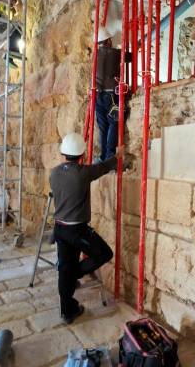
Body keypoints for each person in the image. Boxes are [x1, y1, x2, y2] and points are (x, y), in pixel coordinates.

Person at [49, 133, 123, 324]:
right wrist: (118, 156)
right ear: (81, 155)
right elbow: (105, 166)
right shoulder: (83, 173)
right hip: (77, 231)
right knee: (104, 253)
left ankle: (68, 310)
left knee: (65, 267)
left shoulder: (54, 173)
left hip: (60, 229)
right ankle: (75, 273)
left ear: (64, 153)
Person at [95, 27, 131, 162]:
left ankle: (103, 157)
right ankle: (110, 157)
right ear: (108, 40)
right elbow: (129, 57)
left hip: (98, 96)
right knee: (114, 123)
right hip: (111, 95)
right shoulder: (115, 53)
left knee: (103, 127)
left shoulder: (94, 56)